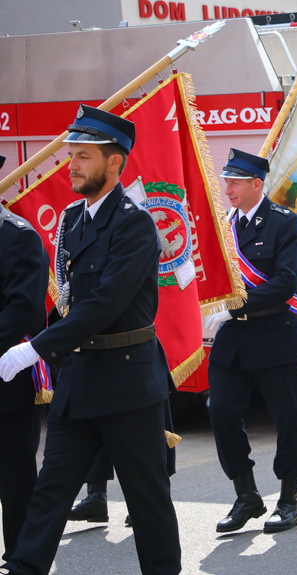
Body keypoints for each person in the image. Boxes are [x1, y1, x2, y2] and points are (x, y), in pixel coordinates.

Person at [0, 105, 181, 575]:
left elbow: (103, 304)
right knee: (49, 496)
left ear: (114, 162)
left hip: (126, 384)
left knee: (147, 502)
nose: (72, 165)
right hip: (78, 383)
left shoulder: (134, 223)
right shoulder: (73, 220)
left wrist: (32, 348)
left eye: (82, 156)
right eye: (71, 155)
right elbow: (65, 300)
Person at [204, 148, 297, 534]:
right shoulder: (225, 224)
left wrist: (233, 308)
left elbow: (285, 282)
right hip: (233, 340)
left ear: (255, 184)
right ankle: (246, 495)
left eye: (234, 182)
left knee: (287, 419)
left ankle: (289, 499)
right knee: (220, 410)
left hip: (273, 334)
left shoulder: (283, 223)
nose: (227, 188)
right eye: (226, 181)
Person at [0, 166, 50, 563]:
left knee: (15, 478)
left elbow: (24, 308)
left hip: (7, 380)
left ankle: (22, 559)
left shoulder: (17, 235)